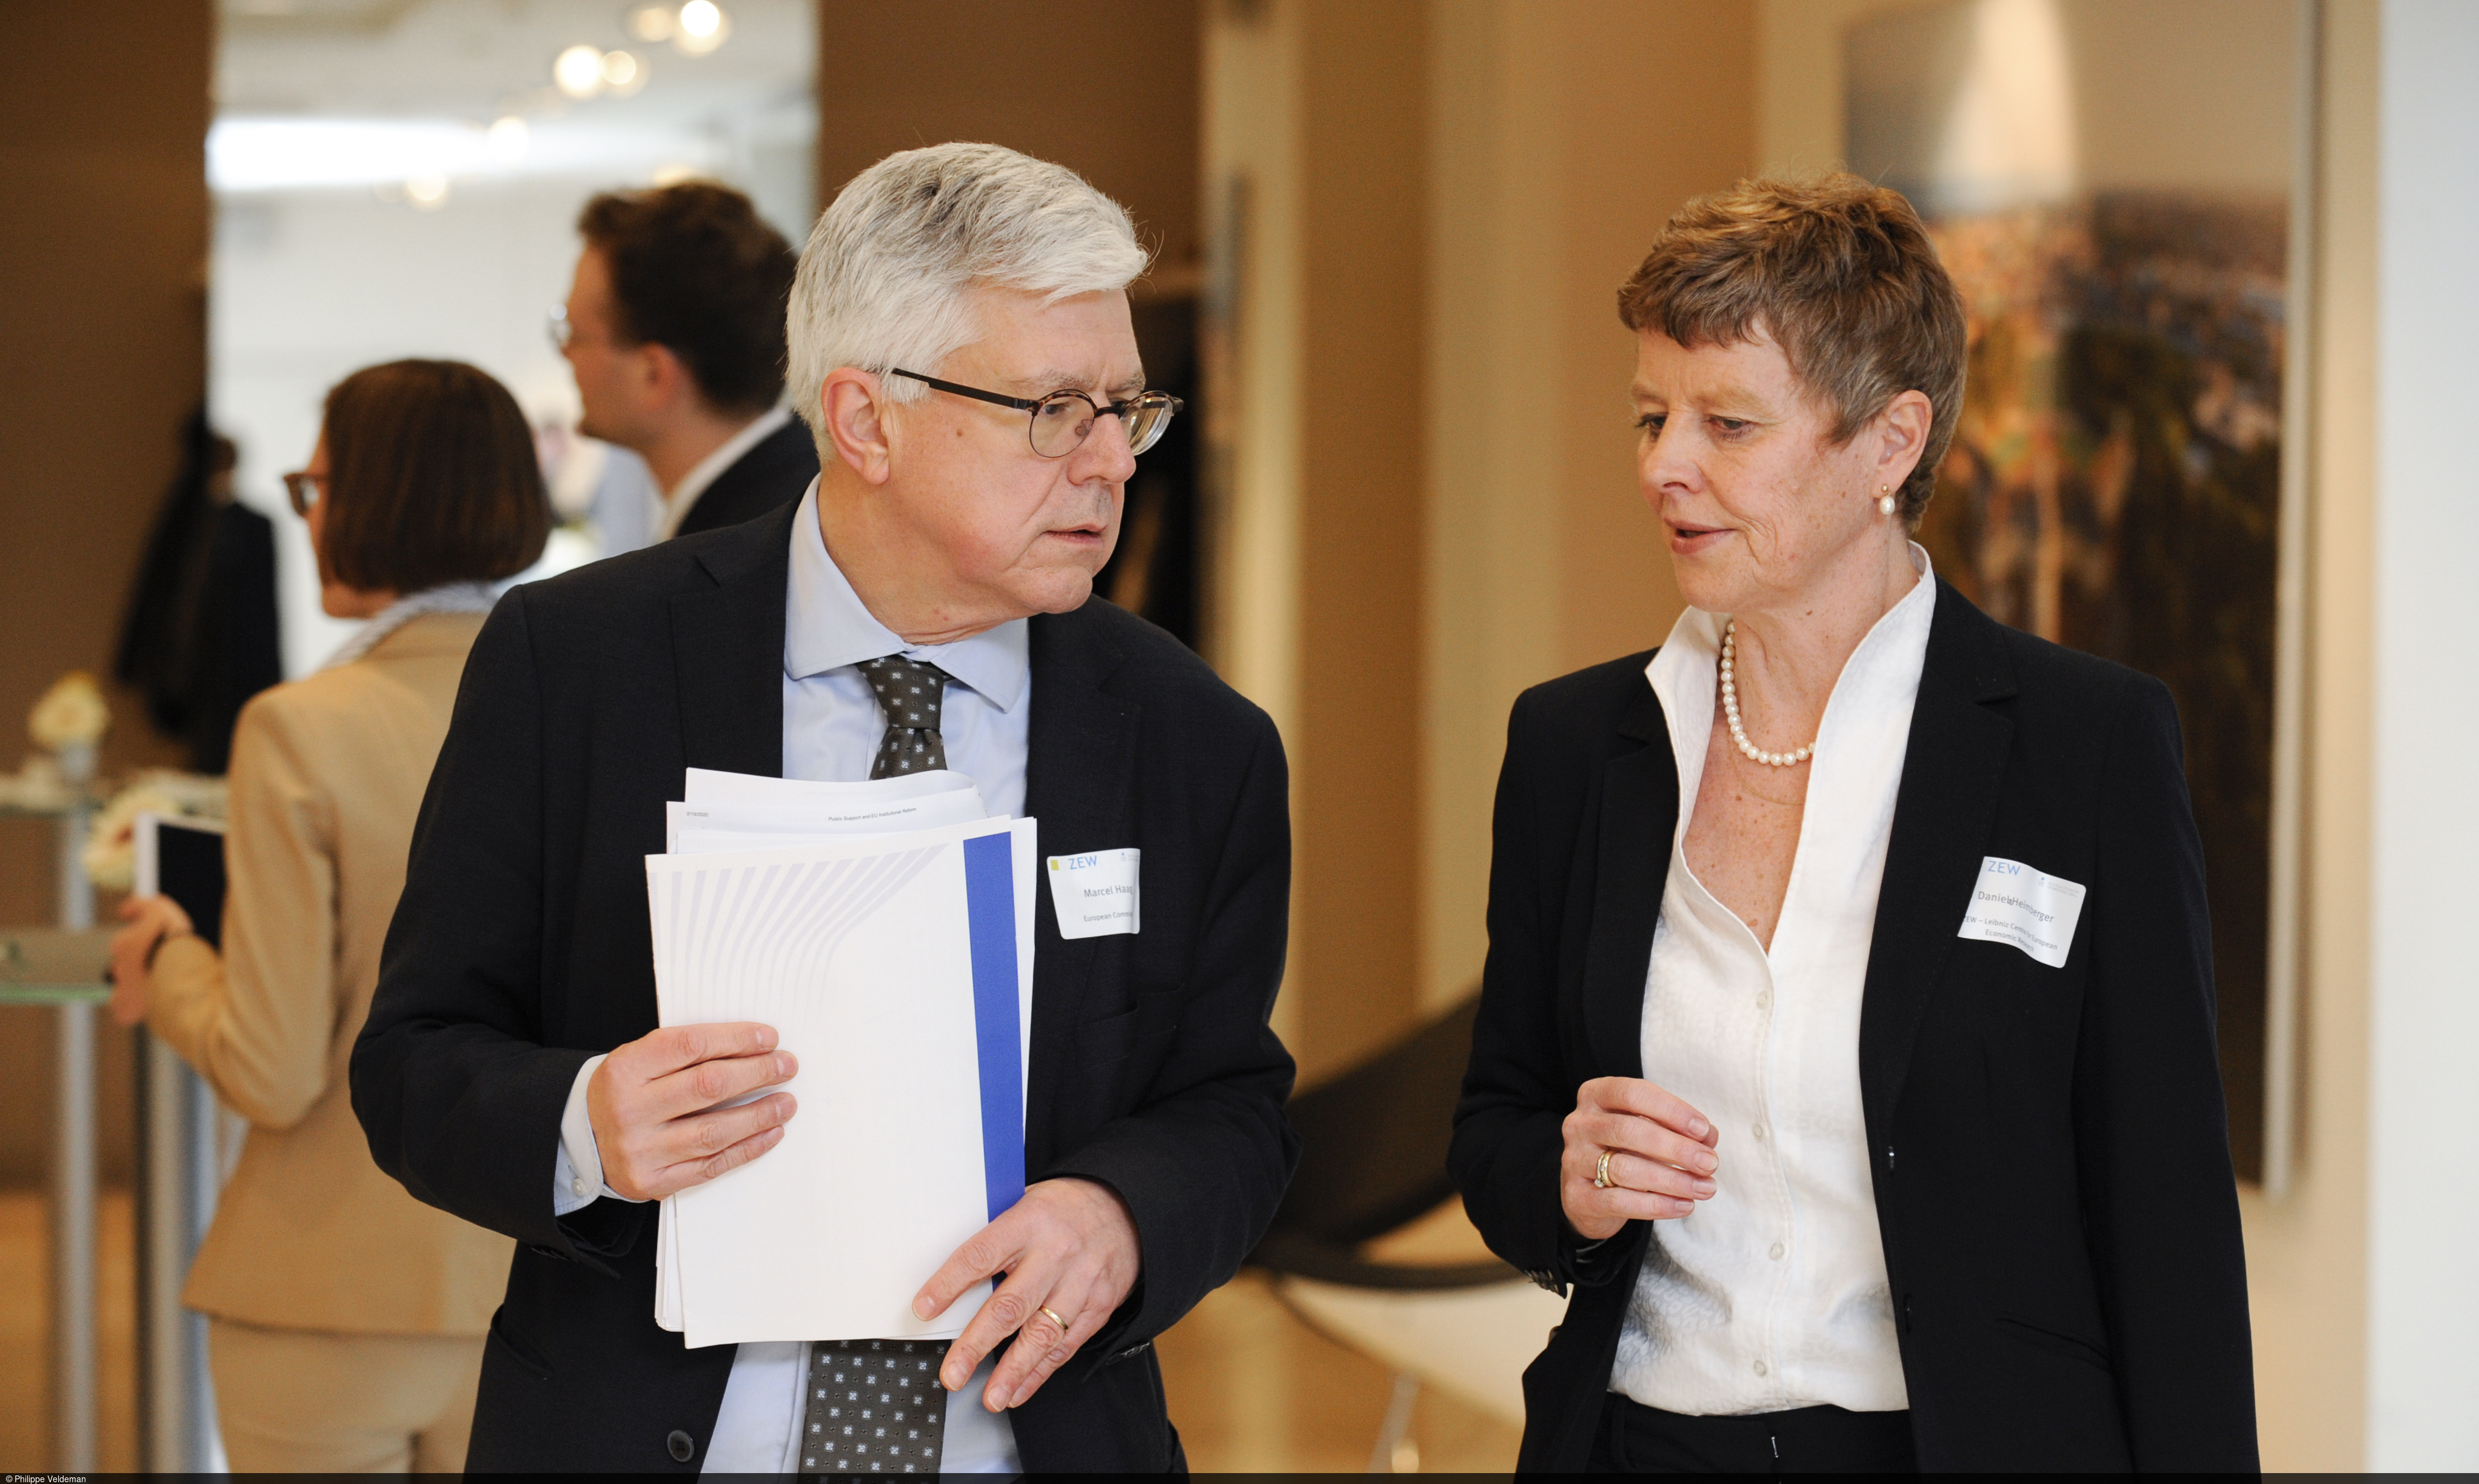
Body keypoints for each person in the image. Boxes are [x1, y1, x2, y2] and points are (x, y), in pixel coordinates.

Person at [351, 142, 1297, 1474]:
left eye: (1124, 409)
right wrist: (585, 1125)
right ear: (865, 421)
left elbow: (1232, 1107)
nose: (1108, 463)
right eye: (1052, 410)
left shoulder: (1197, 743)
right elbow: (412, 1062)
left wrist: (1121, 1214)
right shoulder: (578, 666)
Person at [1448, 175, 2256, 1473]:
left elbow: (2164, 1221)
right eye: (1651, 416)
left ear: (1889, 443)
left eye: (1728, 422)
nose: (1665, 465)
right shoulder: (1570, 748)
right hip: (1639, 1444)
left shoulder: (2083, 749)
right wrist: (1563, 1179)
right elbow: (1496, 1126)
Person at [108, 359, 552, 1472]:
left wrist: (166, 958)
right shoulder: (587, 708)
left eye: (314, 492)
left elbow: (271, 1063)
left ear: (368, 504)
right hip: (545, 1282)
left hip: (323, 1287)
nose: (308, 522)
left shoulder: (302, 728)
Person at [554, 180, 818, 540]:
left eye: (575, 335)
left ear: (653, 374)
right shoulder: (796, 491)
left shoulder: (746, 545)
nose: (565, 353)